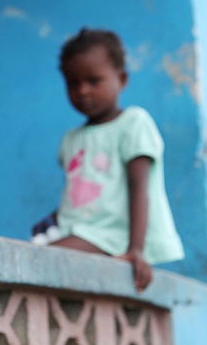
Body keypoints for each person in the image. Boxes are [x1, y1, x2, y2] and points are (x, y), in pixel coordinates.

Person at [46, 28, 183, 291]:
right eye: (73, 83)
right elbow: (79, 196)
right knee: (32, 251)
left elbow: (139, 189)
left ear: (121, 79)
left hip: (111, 236)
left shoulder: (133, 123)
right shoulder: (70, 140)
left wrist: (135, 250)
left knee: (38, 258)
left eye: (93, 80)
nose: (82, 90)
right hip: (77, 232)